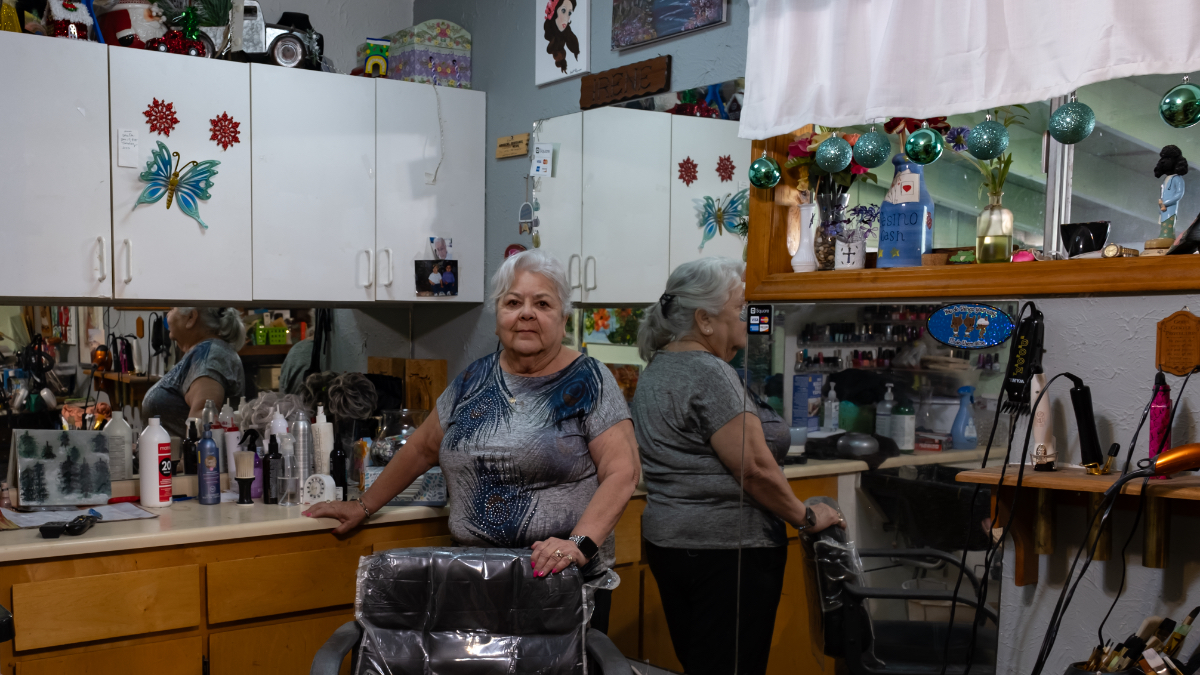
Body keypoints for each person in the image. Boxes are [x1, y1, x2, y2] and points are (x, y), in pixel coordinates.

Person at [304, 250, 640, 628]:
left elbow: (622, 471)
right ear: (498, 318)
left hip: (560, 585)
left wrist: (578, 544)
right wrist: (363, 505)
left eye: (542, 303)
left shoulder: (590, 380)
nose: (526, 313)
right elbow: (421, 448)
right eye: (513, 302)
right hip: (476, 580)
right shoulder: (472, 380)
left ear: (563, 319)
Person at [630, 257, 844, 675]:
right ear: (704, 320)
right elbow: (755, 470)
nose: (746, 317)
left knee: (702, 663)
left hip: (671, 544)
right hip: (727, 552)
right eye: (738, 309)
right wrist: (805, 516)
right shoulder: (710, 373)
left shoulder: (658, 368)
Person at [142, 307, 246, 439]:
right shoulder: (202, 352)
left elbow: (204, 420)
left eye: (173, 309)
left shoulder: (210, 355)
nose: (168, 314)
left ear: (191, 317)